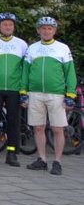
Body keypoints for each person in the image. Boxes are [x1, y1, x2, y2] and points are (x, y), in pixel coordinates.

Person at [22, 16, 77, 175]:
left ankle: (57, 162)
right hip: (35, 93)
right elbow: (25, 72)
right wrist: (23, 92)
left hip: (56, 94)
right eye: (43, 28)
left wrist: (70, 94)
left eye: (49, 28)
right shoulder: (32, 48)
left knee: (57, 128)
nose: (46, 31)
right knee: (38, 127)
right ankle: (42, 159)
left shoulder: (62, 48)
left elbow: (70, 73)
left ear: (54, 31)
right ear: (38, 30)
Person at [0, 13, 26, 166]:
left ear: (14, 27)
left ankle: (11, 154)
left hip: (15, 89)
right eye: (4, 24)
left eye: (10, 25)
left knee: (13, 122)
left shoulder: (22, 44)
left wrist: (24, 89)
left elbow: (25, 69)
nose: (8, 27)